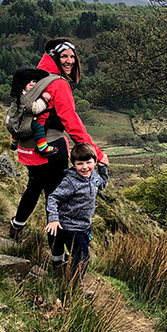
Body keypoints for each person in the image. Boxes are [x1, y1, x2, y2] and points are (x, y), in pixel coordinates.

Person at [9, 38, 108, 241]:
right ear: (55, 57)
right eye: (64, 56)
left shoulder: (35, 80)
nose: (70, 61)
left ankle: (17, 226)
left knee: (35, 185)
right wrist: (96, 153)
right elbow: (72, 124)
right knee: (55, 198)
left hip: (28, 147)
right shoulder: (58, 84)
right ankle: (57, 254)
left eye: (72, 56)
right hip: (50, 149)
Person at [44, 143, 108, 282]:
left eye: (88, 162)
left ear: (95, 162)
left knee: (77, 255)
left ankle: (61, 271)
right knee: (83, 258)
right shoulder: (70, 181)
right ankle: (71, 286)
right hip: (69, 227)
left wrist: (103, 168)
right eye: (80, 163)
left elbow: (102, 184)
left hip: (84, 226)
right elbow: (53, 197)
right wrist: (53, 219)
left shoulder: (94, 176)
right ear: (73, 164)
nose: (85, 167)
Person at [8, 67, 58, 158]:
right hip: (22, 128)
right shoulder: (26, 98)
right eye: (28, 82)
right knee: (38, 127)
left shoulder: (16, 95)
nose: (32, 84)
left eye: (34, 81)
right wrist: (44, 100)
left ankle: (14, 143)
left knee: (15, 124)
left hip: (12, 124)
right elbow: (35, 109)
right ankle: (42, 147)